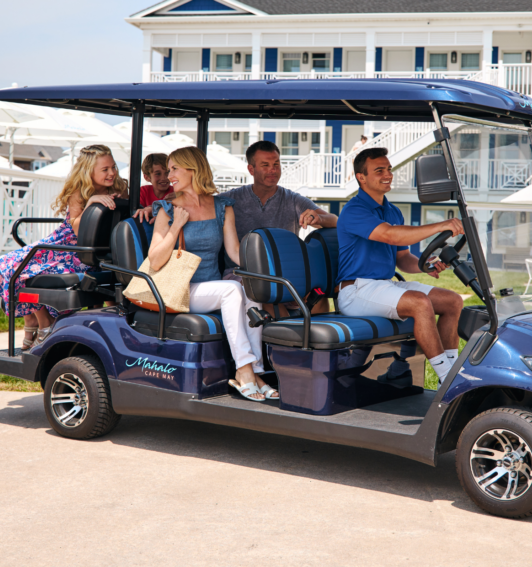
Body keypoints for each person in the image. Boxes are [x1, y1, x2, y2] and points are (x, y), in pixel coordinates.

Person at [147, 146, 275, 402]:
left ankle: (256, 371)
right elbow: (155, 260)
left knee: (248, 287)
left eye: (174, 169)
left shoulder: (222, 207)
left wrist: (266, 271)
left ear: (192, 170)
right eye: (169, 169)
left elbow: (235, 252)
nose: (169, 175)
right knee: (231, 289)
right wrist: (177, 226)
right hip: (182, 290)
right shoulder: (167, 208)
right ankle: (244, 370)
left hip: (212, 287)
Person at [335, 147, 465, 384]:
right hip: (355, 290)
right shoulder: (354, 210)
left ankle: (453, 370)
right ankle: (448, 379)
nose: (388, 174)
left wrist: (425, 266)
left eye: (389, 169)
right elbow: (392, 236)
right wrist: (439, 226)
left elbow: (403, 258)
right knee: (420, 303)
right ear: (361, 177)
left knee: (453, 301)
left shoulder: (392, 211)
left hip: (384, 285)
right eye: (379, 170)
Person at [0, 144, 127, 349]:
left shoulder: (119, 190)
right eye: (105, 169)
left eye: (113, 167)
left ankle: (39, 323)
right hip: (63, 245)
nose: (112, 173)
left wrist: (95, 204)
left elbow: (89, 236)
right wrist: (91, 204)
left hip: (83, 253)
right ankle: (37, 320)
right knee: (5, 266)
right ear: (89, 171)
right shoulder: (80, 192)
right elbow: (77, 231)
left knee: (16, 269)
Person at [219, 140, 337, 315]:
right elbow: (203, 206)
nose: (273, 170)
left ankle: (316, 341)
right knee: (268, 296)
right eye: (265, 165)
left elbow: (334, 220)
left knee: (318, 296)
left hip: (287, 272)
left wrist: (317, 217)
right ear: (251, 170)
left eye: (276, 164)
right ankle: (284, 341)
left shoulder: (293, 199)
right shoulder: (230, 200)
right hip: (243, 273)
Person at [134, 153, 174, 223]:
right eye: (158, 174)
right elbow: (137, 212)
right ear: (147, 177)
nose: (164, 178)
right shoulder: (143, 191)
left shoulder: (175, 192)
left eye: (167, 173)